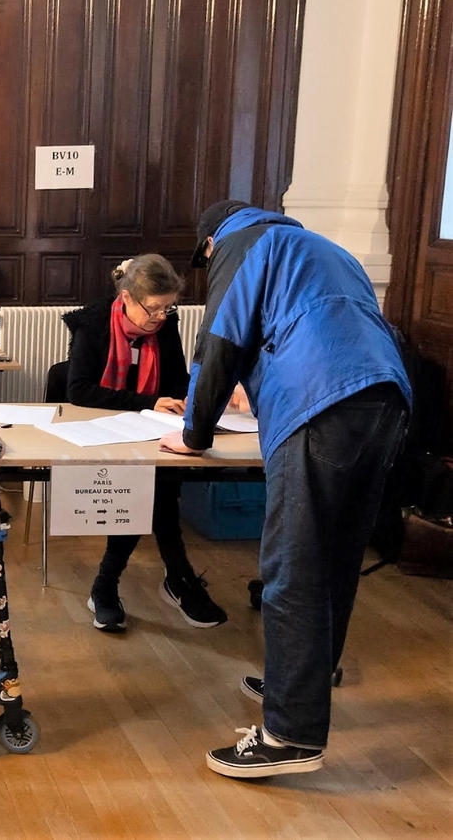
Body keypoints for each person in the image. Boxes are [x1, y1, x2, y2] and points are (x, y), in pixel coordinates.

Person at [160, 201, 410, 778]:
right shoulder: (327, 249)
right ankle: (306, 678)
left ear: (208, 246)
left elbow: (220, 342)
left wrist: (196, 434)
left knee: (292, 565)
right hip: (387, 398)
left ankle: (289, 735)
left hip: (320, 403)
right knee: (338, 553)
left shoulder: (243, 245)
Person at [63, 254, 228, 631]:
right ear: (126, 298)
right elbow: (80, 390)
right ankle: (172, 579)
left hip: (149, 431)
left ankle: (112, 586)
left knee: (156, 492)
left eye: (167, 309)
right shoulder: (93, 322)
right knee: (148, 495)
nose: (160, 318)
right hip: (103, 432)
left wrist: (208, 394)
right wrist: (147, 401)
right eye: (153, 309)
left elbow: (177, 378)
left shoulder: (164, 325)